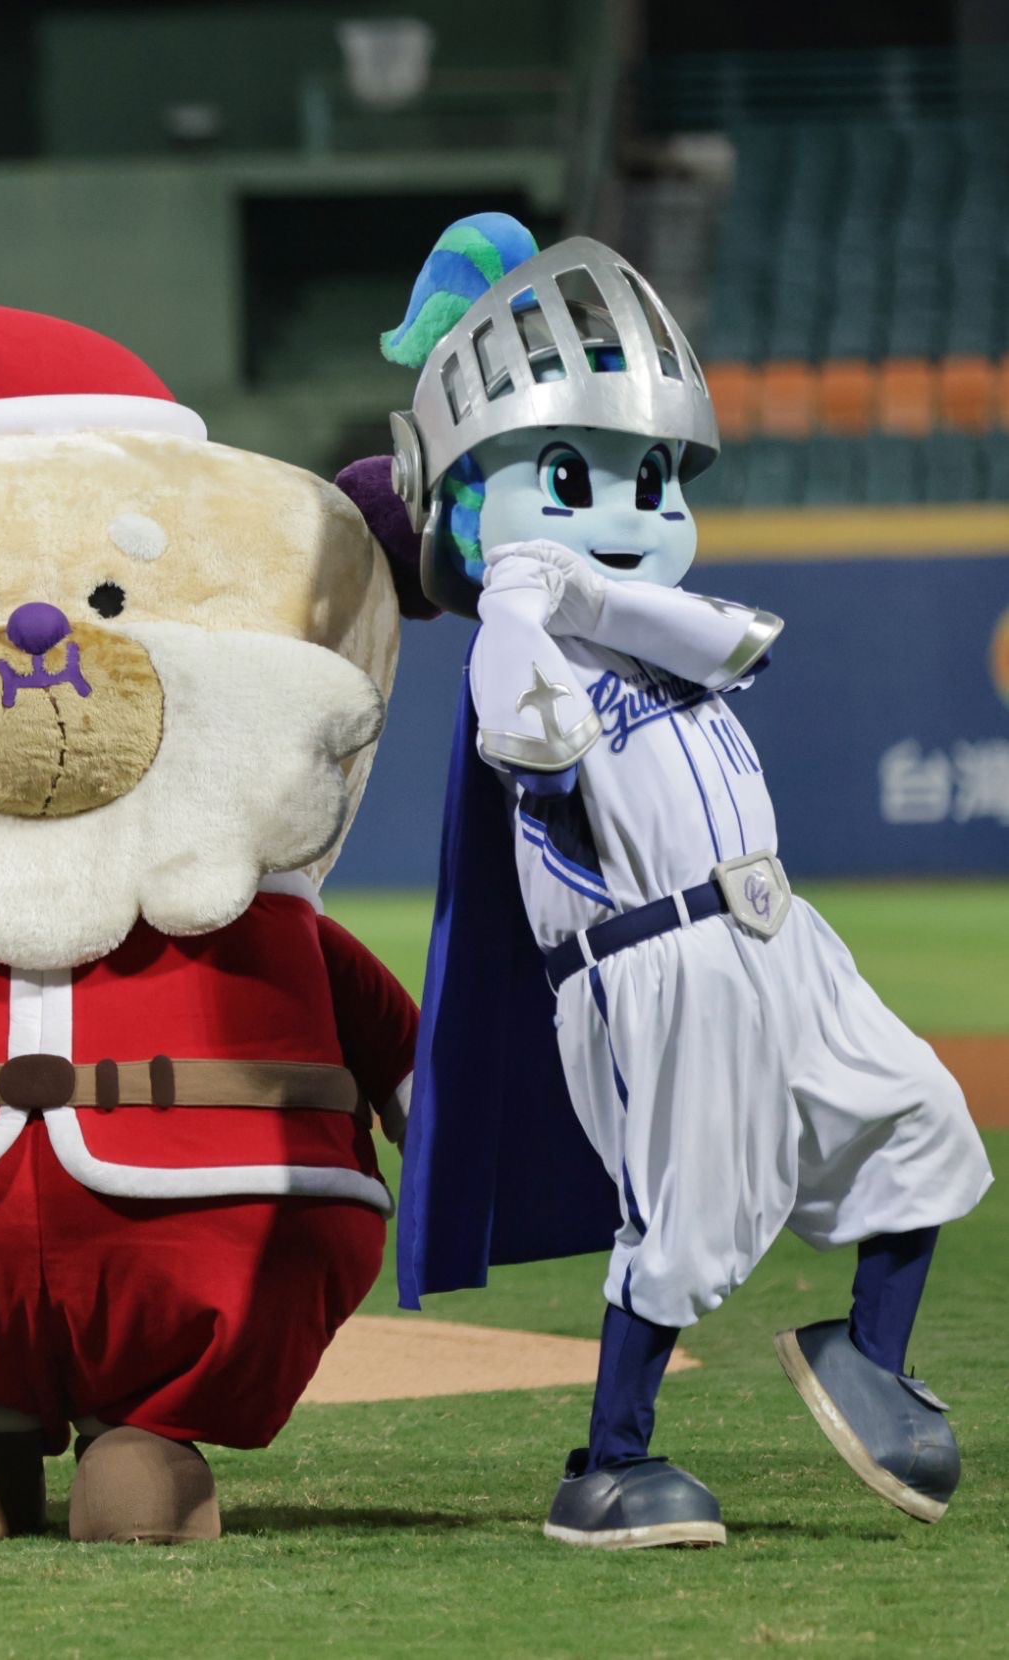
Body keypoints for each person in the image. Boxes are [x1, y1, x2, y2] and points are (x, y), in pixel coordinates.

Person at [385, 216, 990, 1549]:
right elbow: (532, 742)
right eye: (576, 475)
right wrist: (526, 605)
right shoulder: (517, 642)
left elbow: (714, 652)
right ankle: (607, 1463)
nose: (635, 511)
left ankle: (868, 1360)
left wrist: (589, 603)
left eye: (657, 478)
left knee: (925, 1122)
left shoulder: (662, 639)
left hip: (784, 942)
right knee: (688, 1222)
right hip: (653, 964)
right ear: (480, 503)